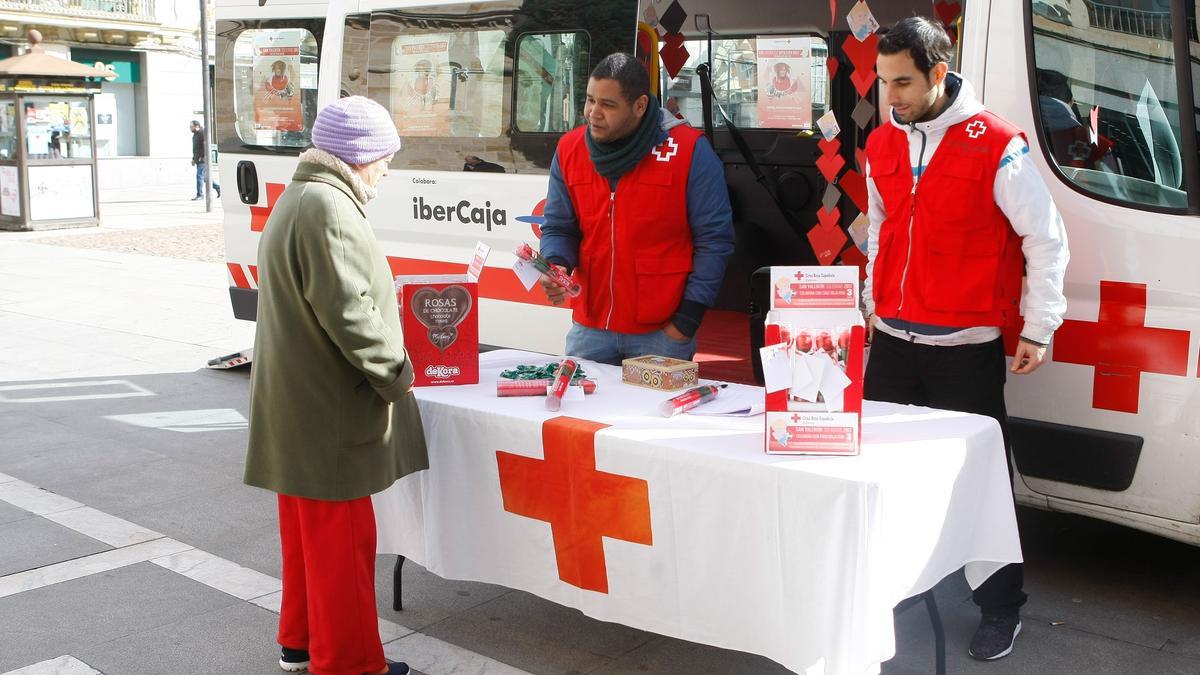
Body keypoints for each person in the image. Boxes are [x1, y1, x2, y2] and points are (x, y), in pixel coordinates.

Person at [863, 17, 1069, 661]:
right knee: (879, 476)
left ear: (938, 75)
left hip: (966, 349)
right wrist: (874, 301)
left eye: (902, 82)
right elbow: (879, 226)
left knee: (979, 488)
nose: (889, 96)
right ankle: (881, 594)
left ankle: (1001, 610)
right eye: (882, 82)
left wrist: (1040, 325)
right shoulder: (881, 144)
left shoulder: (996, 144)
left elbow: (1045, 236)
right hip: (894, 341)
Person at [244, 96, 425, 675]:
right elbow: (351, 313)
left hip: (295, 407)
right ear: (360, 155)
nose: (388, 170)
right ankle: (348, 664)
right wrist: (397, 375)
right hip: (329, 413)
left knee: (307, 544)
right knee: (342, 548)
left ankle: (300, 645)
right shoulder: (330, 207)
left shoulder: (299, 197)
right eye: (385, 157)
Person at [538, 52, 734, 365]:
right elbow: (559, 225)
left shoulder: (689, 151)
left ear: (640, 106)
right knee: (583, 416)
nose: (593, 113)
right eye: (590, 100)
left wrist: (686, 321)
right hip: (590, 329)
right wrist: (557, 264)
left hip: (662, 334)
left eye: (608, 104)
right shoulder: (570, 149)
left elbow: (715, 241)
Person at [190, 120, 220, 200]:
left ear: (197, 126)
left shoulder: (202, 133)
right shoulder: (195, 135)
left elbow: (205, 147)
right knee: (205, 178)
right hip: (199, 159)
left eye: (191, 126)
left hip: (203, 159)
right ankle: (218, 188)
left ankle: (200, 195)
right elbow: (196, 149)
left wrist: (201, 157)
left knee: (199, 176)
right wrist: (194, 159)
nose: (190, 128)